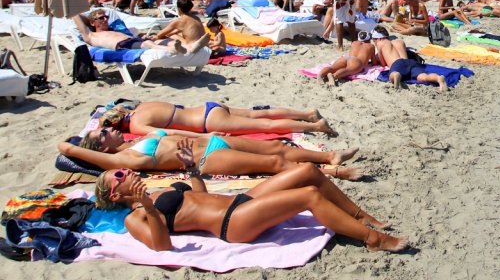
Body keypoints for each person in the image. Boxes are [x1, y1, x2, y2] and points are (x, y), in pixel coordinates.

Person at [94, 160, 408, 252]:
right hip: (232, 224)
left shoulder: (158, 192)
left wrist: (193, 173)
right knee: (308, 195)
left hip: (241, 202)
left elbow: (197, 195)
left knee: (308, 172)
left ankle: (360, 215)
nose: (128, 171)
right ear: (116, 194)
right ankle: (374, 240)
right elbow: (161, 246)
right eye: (119, 174)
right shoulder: (134, 218)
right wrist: (148, 207)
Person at [60, 128, 361, 180]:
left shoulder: (136, 140)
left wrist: (208, 135)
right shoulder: (123, 159)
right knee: (273, 163)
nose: (108, 130)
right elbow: (68, 149)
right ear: (101, 149)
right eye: (101, 134)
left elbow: (178, 136)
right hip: (207, 160)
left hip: (213, 143)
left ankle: (329, 157)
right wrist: (74, 143)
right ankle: (335, 173)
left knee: (279, 147)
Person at [98, 101, 338, 137]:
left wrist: (204, 136)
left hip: (206, 122)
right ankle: (307, 114)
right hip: (207, 105)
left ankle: (316, 125)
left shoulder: (137, 125)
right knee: (260, 114)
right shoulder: (141, 106)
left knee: (265, 125)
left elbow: (170, 133)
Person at [73, 9, 196, 54]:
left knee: (165, 40)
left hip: (131, 40)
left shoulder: (112, 29)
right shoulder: (90, 35)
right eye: (101, 18)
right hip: (122, 45)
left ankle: (190, 47)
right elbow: (77, 16)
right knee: (148, 44)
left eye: (106, 17)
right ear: (93, 22)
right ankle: (173, 50)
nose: (105, 19)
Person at [373, 29, 448, 91]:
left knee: (393, 73)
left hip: (397, 63)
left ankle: (396, 75)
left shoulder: (381, 43)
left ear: (379, 38)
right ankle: (438, 78)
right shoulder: (400, 41)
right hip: (411, 62)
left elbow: (383, 63)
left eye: (374, 40)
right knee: (423, 77)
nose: (375, 42)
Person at [316, 27, 380, 87]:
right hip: (357, 61)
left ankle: (320, 75)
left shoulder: (354, 43)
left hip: (346, 57)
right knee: (347, 70)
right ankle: (334, 76)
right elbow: (374, 63)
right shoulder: (371, 46)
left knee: (332, 67)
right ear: (369, 39)